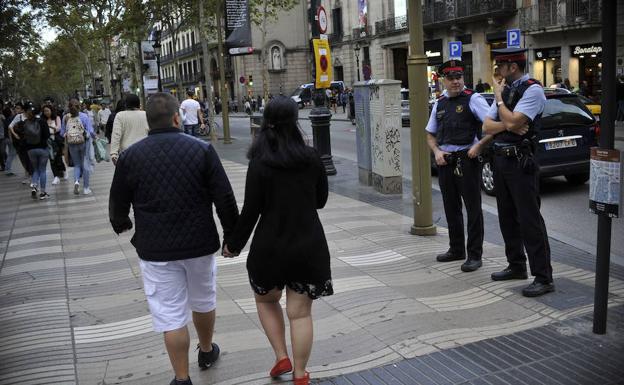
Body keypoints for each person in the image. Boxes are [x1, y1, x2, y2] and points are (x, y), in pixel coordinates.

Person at [109, 92, 239, 385]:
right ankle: (206, 351)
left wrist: (121, 223)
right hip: (199, 242)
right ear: (177, 118)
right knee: (203, 299)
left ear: (148, 124)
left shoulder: (131, 156)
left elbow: (118, 200)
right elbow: (224, 197)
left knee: (169, 313)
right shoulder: (201, 150)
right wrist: (232, 237)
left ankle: (181, 378)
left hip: (155, 248)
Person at [223, 96, 333, 385]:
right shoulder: (311, 157)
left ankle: (281, 355)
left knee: (266, 300)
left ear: (265, 121)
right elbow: (320, 201)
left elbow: (251, 210)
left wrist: (233, 244)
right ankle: (300, 375)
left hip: (269, 247)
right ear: (296, 120)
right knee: (300, 314)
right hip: (308, 245)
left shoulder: (260, 162)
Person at [483, 48, 554, 297]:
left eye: (499, 68)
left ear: (512, 67)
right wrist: (508, 121)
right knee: (507, 217)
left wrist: (501, 102)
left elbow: (515, 122)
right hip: (502, 161)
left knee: (530, 220)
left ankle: (544, 277)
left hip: (521, 162)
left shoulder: (532, 89)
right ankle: (516, 265)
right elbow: (487, 126)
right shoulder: (508, 89)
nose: (496, 74)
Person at [426, 60, 491, 273]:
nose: (455, 81)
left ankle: (474, 255)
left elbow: (491, 127)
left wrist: (478, 147)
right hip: (446, 160)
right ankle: (456, 249)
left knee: (473, 209)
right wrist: (436, 152)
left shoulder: (474, 99)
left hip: (467, 159)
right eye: (451, 78)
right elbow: (429, 134)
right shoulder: (440, 103)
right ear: (443, 80)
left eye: (459, 77)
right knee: (450, 207)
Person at [62, 98, 96, 195]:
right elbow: (90, 131)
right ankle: (86, 188)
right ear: (79, 107)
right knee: (85, 165)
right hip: (83, 143)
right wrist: (94, 137)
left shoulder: (65, 117)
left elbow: (62, 133)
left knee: (76, 165)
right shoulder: (84, 116)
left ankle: (76, 181)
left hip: (72, 144)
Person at [20, 104, 51, 199]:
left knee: (35, 170)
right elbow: (47, 135)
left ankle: (34, 186)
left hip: (30, 150)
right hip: (42, 149)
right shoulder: (42, 121)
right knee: (42, 170)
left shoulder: (25, 122)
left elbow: (23, 137)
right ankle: (43, 193)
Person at [110, 94, 149, 165]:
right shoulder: (145, 114)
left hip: (127, 152)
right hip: (145, 152)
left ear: (126, 105)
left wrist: (113, 153)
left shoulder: (120, 116)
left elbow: (116, 135)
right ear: (138, 104)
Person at [8, 102, 34, 184]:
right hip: (22, 142)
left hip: (31, 141)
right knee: (25, 158)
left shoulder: (33, 116)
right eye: (29, 109)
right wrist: (15, 135)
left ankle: (32, 175)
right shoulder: (19, 116)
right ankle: (29, 175)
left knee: (31, 158)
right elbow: (10, 126)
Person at [42, 105, 65, 185]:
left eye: (47, 110)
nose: (46, 112)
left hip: (56, 142)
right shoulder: (42, 120)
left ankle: (62, 170)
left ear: (51, 110)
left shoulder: (57, 118)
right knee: (51, 159)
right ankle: (56, 176)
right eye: (45, 111)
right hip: (48, 142)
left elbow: (58, 128)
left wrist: (49, 127)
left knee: (58, 158)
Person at [2, 105, 17, 176]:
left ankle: (7, 169)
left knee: (11, 154)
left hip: (6, 138)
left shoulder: (5, 119)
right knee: (11, 154)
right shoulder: (10, 119)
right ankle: (8, 170)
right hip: (9, 138)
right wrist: (11, 139)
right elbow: (9, 129)